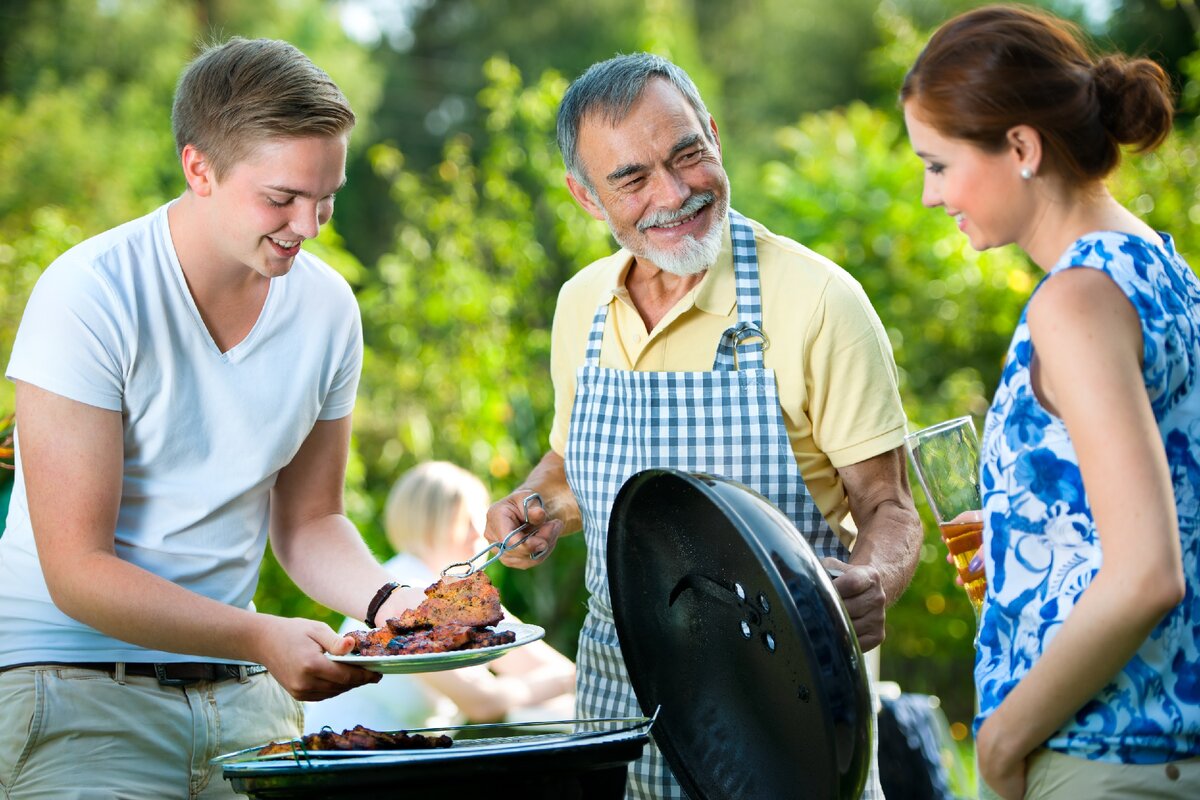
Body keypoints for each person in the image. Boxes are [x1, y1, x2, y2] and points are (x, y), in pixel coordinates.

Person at [482, 52, 924, 799]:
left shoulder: (820, 301)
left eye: (688, 154)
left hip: (788, 727)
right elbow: (573, 467)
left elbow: (889, 506)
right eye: (633, 178)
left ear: (714, 136)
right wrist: (538, 505)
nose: (676, 192)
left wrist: (873, 579)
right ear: (587, 198)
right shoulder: (579, 305)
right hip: (618, 724)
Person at [0, 37, 427, 798]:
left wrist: (393, 605)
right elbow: (77, 571)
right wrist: (263, 637)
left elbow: (309, 522)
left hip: (242, 697)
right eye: (281, 198)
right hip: (68, 687)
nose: (311, 225)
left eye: (325, 196)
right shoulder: (90, 296)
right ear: (199, 168)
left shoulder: (327, 309)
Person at [901, 5, 1200, 799]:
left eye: (937, 164)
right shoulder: (1160, 267)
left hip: (1105, 754)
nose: (931, 196)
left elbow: (1147, 575)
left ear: (1022, 147)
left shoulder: (1074, 301)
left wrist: (1001, 741)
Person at [304, 461, 576, 732]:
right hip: (347, 760)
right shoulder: (404, 596)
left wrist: (571, 677)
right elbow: (482, 701)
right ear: (429, 524)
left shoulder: (457, 597)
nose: (481, 536)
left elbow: (533, 660)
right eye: (466, 520)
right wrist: (566, 680)